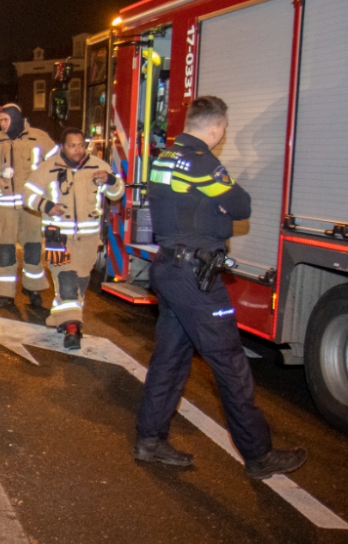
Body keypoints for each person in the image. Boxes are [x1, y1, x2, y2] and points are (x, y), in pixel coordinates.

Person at [134, 95, 306, 479]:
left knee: (170, 358)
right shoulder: (203, 162)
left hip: (169, 267)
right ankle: (259, 455)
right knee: (230, 363)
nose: (223, 134)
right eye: (224, 128)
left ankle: (149, 440)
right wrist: (220, 207)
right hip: (195, 275)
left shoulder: (164, 157)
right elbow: (241, 205)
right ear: (214, 128)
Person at [24, 127, 124, 349]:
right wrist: (47, 205)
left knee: (79, 282)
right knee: (66, 279)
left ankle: (61, 318)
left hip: (88, 237)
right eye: (72, 145)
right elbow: (27, 195)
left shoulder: (99, 167)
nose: (77, 150)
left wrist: (110, 180)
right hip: (55, 236)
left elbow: (117, 195)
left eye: (81, 145)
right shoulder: (48, 168)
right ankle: (73, 328)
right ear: (62, 147)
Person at [0, 103, 57, 311]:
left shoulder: (39, 138)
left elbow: (57, 163)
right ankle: (5, 293)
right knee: (6, 252)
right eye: (0, 120)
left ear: (15, 119)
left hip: (31, 207)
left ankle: (33, 288)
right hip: (5, 208)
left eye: (5, 119)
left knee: (33, 248)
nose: (2, 124)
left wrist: (46, 189)